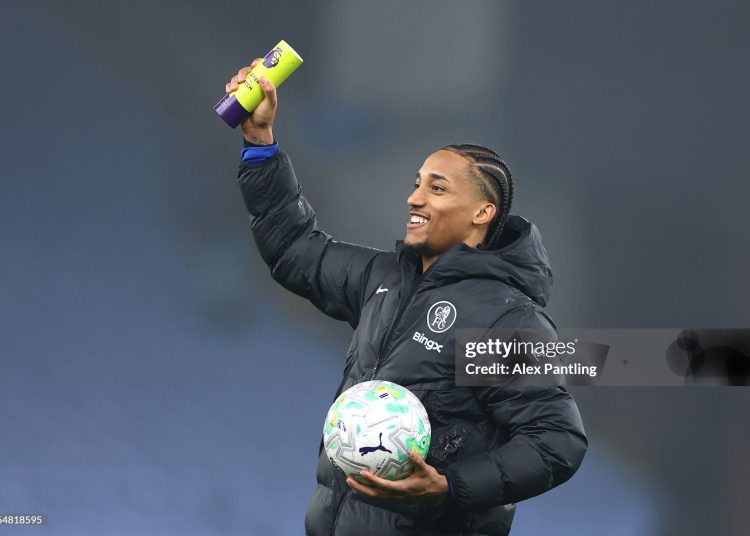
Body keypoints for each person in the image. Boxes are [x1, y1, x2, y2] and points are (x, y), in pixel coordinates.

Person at [226, 58, 587, 536]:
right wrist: (260, 143)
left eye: (436, 188)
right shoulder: (385, 280)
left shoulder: (504, 320)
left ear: (482, 211)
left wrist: (449, 485)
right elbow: (294, 249)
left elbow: (556, 441)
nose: (414, 198)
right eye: (416, 184)